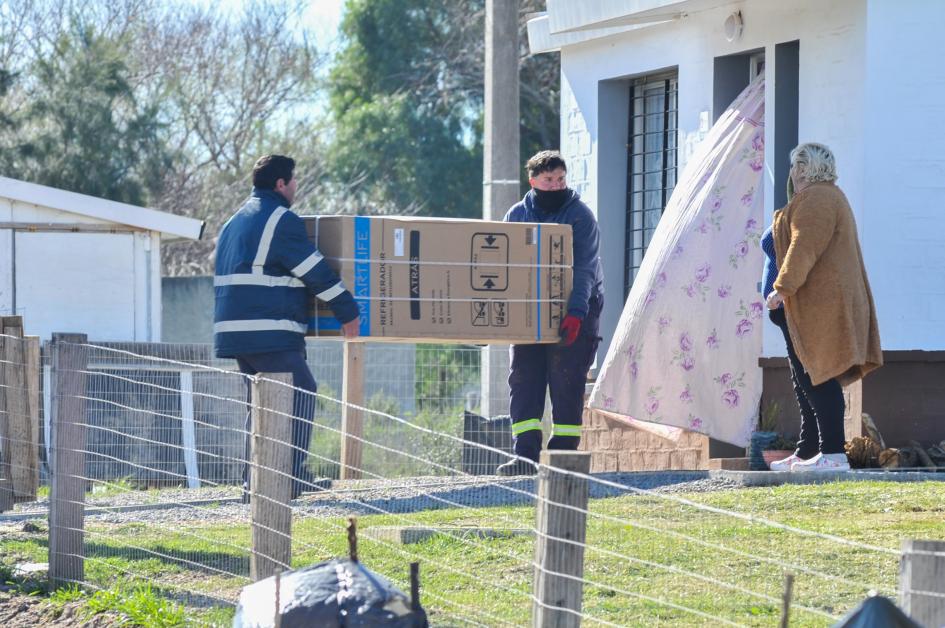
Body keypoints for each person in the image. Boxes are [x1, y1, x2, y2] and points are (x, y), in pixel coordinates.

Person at [214, 154, 360, 499]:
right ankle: (291, 476)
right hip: (267, 328)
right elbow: (316, 272)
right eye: (294, 181)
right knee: (300, 391)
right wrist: (347, 311)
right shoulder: (281, 220)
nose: (296, 187)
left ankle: (257, 481)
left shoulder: (234, 221)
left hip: (235, 331)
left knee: (263, 405)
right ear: (281, 184)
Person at [763, 143, 882, 472]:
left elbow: (804, 248)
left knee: (818, 376)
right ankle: (808, 451)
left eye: (793, 167)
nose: (790, 173)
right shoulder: (818, 197)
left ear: (801, 168)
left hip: (819, 305)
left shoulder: (819, 198)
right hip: (805, 306)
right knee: (806, 379)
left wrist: (781, 289)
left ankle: (833, 454)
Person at [496, 151, 604, 476]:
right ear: (533, 181)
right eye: (548, 180)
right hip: (529, 312)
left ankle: (562, 460)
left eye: (560, 179)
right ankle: (525, 458)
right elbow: (500, 268)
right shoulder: (516, 215)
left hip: (578, 311)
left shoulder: (580, 217)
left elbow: (584, 268)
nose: (556, 186)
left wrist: (575, 313)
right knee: (524, 380)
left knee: (565, 382)